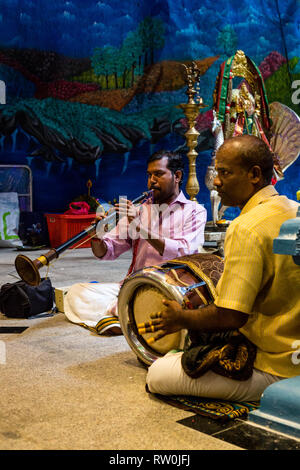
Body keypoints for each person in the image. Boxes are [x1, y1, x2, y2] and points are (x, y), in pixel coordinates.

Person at [146, 134, 300, 402]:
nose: (216, 182)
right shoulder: (293, 208)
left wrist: (181, 318)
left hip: (278, 365)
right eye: (217, 172)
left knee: (157, 374)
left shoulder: (246, 227)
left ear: (254, 174)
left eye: (225, 173)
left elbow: (231, 316)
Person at [64, 150, 207, 335]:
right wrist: (97, 236)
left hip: (171, 289)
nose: (151, 181)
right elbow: (107, 252)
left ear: (177, 176)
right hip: (134, 285)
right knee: (76, 292)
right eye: (149, 175)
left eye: (158, 174)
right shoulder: (140, 210)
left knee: (173, 308)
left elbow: (182, 251)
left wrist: (140, 227)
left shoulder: (194, 211)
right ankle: (125, 316)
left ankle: (119, 315)